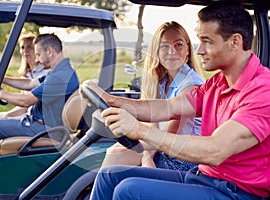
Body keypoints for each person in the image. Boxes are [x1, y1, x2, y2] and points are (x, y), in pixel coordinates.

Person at [84, 2, 270, 199]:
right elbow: (169, 107)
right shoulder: (217, 83)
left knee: (129, 190)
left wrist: (140, 130)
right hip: (203, 178)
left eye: (207, 41)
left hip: (236, 192)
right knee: (109, 176)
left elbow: (215, 150)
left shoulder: (262, 91)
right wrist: (110, 100)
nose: (199, 51)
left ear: (235, 42)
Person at [101, 21, 204, 171]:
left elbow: (168, 135)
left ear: (188, 49)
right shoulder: (162, 81)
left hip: (185, 160)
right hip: (164, 148)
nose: (172, 51)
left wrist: (146, 157)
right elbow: (153, 125)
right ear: (157, 50)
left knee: (115, 156)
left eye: (178, 45)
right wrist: (145, 154)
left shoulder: (191, 85)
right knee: (114, 152)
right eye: (165, 46)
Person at [0, 33, 79, 166]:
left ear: (49, 51)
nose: (36, 60)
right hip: (40, 124)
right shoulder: (59, 71)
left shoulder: (60, 77)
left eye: (38, 54)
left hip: (45, 129)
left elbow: (26, 101)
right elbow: (29, 84)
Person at [0, 33, 50, 120]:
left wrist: (7, 115)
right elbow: (23, 103)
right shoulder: (27, 74)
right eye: (22, 47)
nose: (25, 50)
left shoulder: (45, 73)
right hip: (26, 112)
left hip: (36, 117)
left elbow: (26, 102)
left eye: (29, 47)